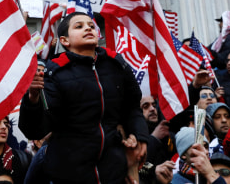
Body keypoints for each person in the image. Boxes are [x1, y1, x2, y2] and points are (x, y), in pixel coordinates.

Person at [19, 12, 149, 184]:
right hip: (70, 174)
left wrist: (140, 136)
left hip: (113, 171)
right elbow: (35, 130)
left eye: (91, 25)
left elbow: (132, 108)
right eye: (79, 26)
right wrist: (33, 98)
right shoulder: (54, 72)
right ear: (65, 41)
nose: (88, 28)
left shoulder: (116, 65)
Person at [140, 95, 176, 166]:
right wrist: (154, 138)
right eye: (146, 106)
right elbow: (141, 167)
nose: (152, 109)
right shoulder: (133, 137)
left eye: (154, 105)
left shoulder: (167, 133)